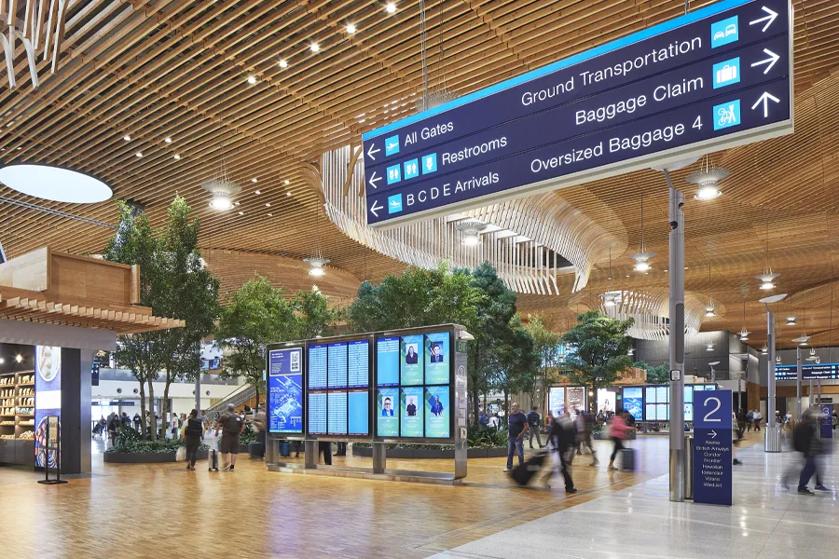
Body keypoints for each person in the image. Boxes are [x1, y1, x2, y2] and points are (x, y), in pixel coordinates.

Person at [791, 409, 828, 494]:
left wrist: (820, 447)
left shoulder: (808, 425)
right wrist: (804, 451)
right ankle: (801, 487)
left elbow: (814, 438)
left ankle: (817, 484)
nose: (812, 418)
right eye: (811, 417)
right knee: (809, 469)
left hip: (811, 451)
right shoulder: (802, 426)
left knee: (813, 467)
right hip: (808, 452)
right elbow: (801, 440)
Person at [542, 410, 577, 493]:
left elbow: (552, 435)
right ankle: (569, 486)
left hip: (564, 448)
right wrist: (554, 446)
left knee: (561, 466)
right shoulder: (562, 423)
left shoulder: (566, 423)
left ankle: (546, 479)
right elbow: (552, 435)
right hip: (561, 448)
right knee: (563, 467)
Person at [216, 404, 244, 471]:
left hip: (226, 436)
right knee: (234, 451)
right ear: (234, 409)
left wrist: (216, 432)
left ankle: (225, 463)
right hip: (236, 436)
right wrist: (239, 433)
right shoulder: (238, 416)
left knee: (224, 450)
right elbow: (243, 426)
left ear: (227, 409)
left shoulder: (224, 416)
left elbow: (219, 424)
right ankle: (232, 467)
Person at [505, 402, 529, 472]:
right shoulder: (510, 415)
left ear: (518, 407)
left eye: (515, 406)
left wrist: (521, 434)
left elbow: (526, 426)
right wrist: (508, 433)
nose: (513, 407)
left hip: (518, 438)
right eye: (512, 406)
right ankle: (509, 467)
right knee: (510, 453)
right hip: (511, 437)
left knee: (520, 454)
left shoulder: (522, 416)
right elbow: (510, 425)